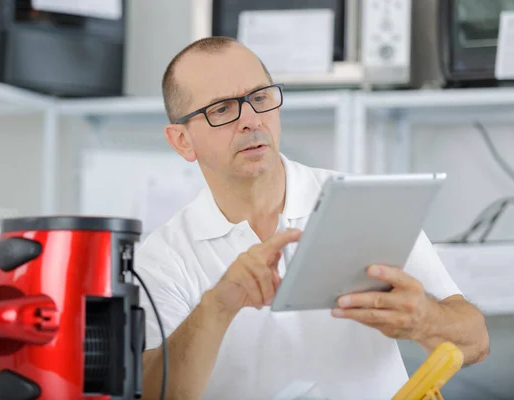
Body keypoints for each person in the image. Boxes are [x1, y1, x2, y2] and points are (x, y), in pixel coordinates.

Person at [135, 36, 490, 400]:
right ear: (182, 141)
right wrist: (217, 306)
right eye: (222, 110)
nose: (250, 120)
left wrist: (425, 319)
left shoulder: (365, 205)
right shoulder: (162, 258)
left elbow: (476, 341)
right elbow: (155, 394)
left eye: (260, 98)